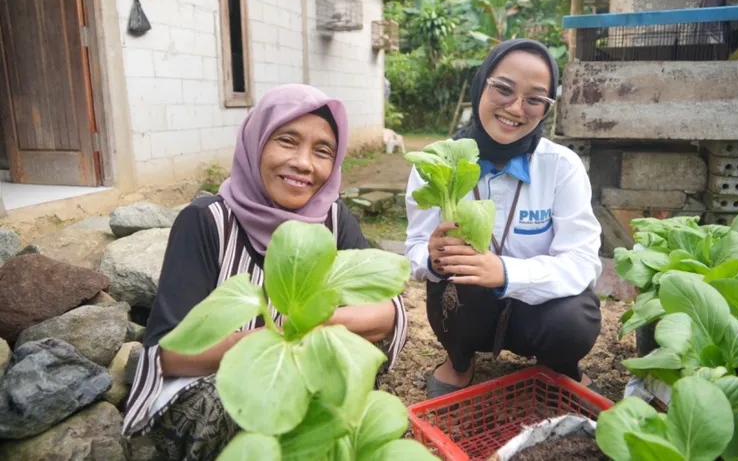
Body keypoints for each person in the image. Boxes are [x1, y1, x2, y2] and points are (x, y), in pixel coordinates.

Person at [122, 84, 408, 461]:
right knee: (231, 410)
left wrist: (304, 333)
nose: (305, 163)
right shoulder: (207, 222)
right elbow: (170, 353)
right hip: (214, 387)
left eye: (322, 151)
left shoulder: (333, 219)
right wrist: (266, 348)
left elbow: (389, 310)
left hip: (303, 380)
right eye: (287, 141)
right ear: (255, 143)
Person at [404, 39, 602, 398]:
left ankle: (559, 365)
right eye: (504, 89)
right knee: (454, 285)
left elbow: (582, 260)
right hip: (472, 309)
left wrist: (507, 273)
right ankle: (460, 362)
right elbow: (415, 248)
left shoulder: (560, 166)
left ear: (546, 108)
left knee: (575, 319)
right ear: (482, 84)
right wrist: (430, 258)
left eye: (535, 99)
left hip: (539, 309)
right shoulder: (437, 162)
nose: (515, 108)